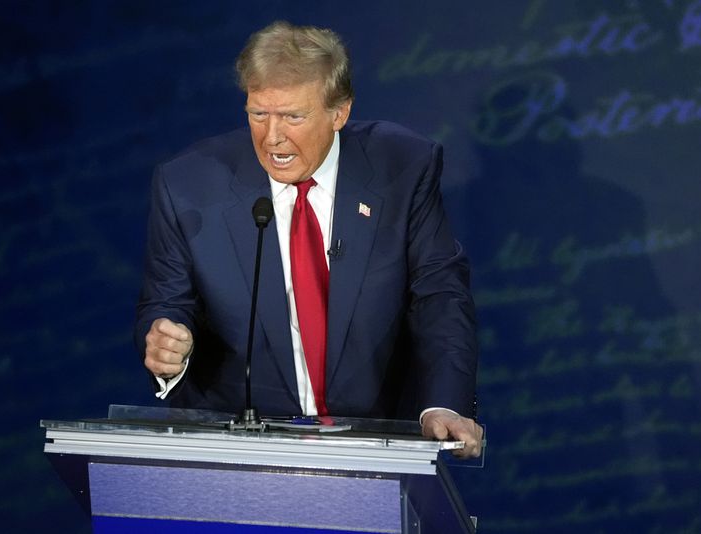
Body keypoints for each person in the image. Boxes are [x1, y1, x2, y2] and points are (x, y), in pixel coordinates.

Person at [135, 21, 483, 457]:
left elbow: (439, 294)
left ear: (339, 112)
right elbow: (165, 304)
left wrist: (445, 404)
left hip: (373, 444)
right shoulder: (187, 186)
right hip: (238, 451)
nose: (272, 136)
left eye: (293, 117)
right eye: (258, 114)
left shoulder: (403, 168)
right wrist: (167, 346)